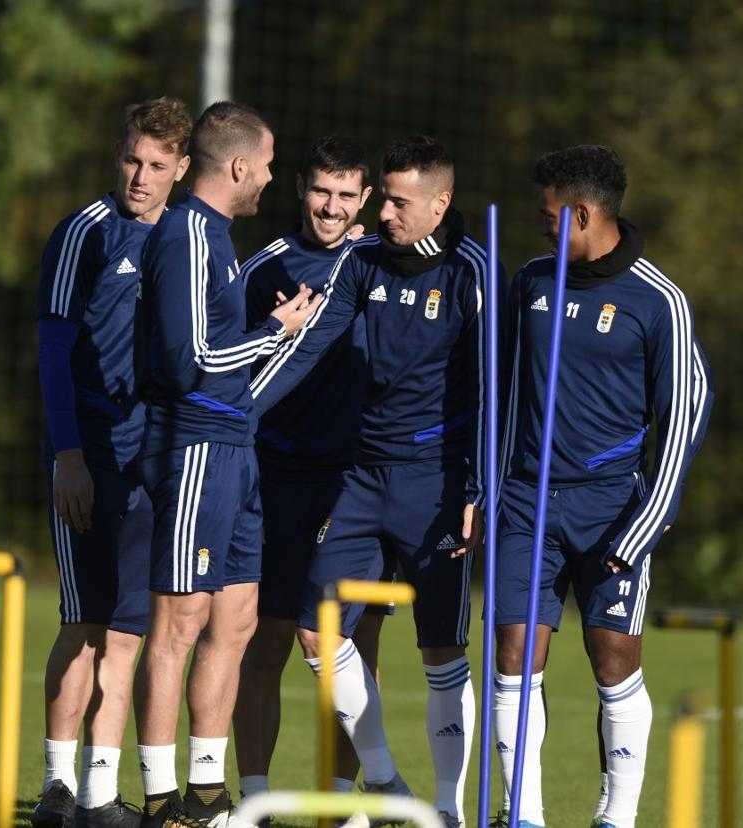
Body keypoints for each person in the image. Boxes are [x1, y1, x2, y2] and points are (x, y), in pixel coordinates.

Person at [250, 135, 496, 828]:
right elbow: (308, 350)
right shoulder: (359, 264)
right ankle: (385, 783)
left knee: (440, 647)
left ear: (439, 202)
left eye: (396, 200)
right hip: (360, 477)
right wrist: (232, 412)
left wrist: (480, 487)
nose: (380, 212)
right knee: (318, 631)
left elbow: (494, 393)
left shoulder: (474, 272)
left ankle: (446, 809)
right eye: (382, 197)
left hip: (438, 482)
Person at [489, 145, 714, 828]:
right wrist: (487, 491)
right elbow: (499, 395)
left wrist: (650, 518)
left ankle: (615, 817)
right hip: (527, 501)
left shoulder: (659, 300)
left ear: (583, 214)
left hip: (613, 505)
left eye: (549, 215)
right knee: (513, 650)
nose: (540, 226)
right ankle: (521, 815)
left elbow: (688, 408)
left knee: (612, 655)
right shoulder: (530, 281)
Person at [135, 101, 321, 828]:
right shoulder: (186, 231)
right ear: (240, 166)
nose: (272, 178)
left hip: (238, 450)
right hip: (198, 448)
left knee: (235, 623)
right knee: (178, 625)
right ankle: (159, 798)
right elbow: (192, 362)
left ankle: (208, 793)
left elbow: (219, 350)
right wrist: (276, 331)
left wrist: (271, 328)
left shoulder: (220, 239)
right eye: (270, 164)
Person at [32, 96, 193, 828]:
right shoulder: (84, 233)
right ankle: (56, 789)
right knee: (82, 622)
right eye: (133, 157)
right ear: (117, 152)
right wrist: (69, 453)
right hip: (87, 455)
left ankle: (100, 797)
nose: (140, 174)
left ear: (182, 169)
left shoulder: (188, 243)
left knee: (127, 633)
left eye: (158, 164)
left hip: (154, 466)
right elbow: (54, 350)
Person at [233, 135, 387, 806]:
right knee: (262, 645)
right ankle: (256, 798)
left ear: (367, 200)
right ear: (300, 187)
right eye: (322, 190)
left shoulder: (384, 264)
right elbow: (230, 366)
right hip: (277, 477)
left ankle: (343, 803)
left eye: (347, 194)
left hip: (359, 483)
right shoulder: (264, 268)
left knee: (350, 647)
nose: (332, 206)